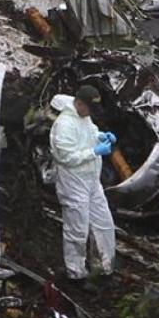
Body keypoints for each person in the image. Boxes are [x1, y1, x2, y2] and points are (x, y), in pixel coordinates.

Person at [49, 85, 117, 281]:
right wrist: (94, 152)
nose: (90, 114)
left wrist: (100, 136)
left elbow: (89, 132)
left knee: (104, 223)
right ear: (79, 103)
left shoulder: (84, 116)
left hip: (92, 181)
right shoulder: (63, 125)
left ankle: (106, 266)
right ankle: (75, 272)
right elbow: (65, 156)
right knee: (77, 229)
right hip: (73, 183)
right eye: (89, 109)